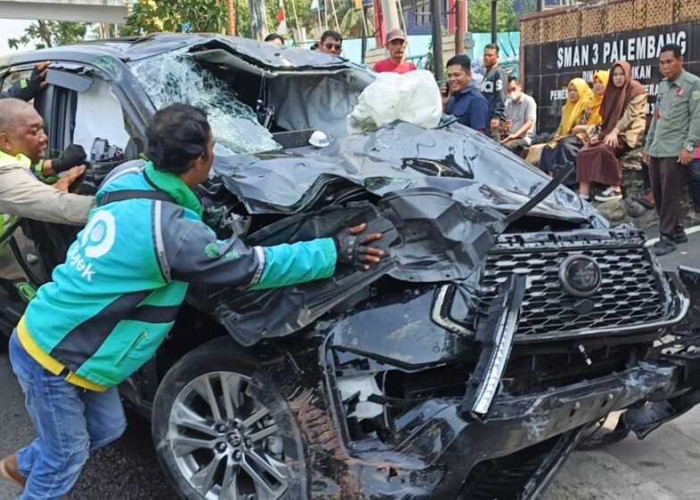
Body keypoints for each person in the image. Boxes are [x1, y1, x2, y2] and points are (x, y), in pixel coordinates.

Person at [0, 103, 387, 499]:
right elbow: (253, 267)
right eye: (214, 146)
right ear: (202, 158)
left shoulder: (128, 174)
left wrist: (203, 214)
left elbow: (162, 214)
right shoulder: (173, 234)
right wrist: (334, 251)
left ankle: (21, 466)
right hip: (54, 356)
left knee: (107, 430)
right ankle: (35, 477)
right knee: (67, 457)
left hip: (61, 335)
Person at [643, 43, 700, 256]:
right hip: (658, 147)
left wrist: (689, 147)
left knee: (669, 196)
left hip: (676, 150)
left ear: (680, 61)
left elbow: (697, 118)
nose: (665, 66)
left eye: (669, 61)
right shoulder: (663, 86)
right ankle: (677, 230)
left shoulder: (693, 84)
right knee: (658, 192)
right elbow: (656, 119)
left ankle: (666, 238)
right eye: (662, 63)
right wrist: (648, 145)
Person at [0, 99, 94, 225]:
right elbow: (66, 208)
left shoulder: (10, 159)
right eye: (34, 132)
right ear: (5, 141)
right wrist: (124, 207)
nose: (44, 137)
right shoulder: (4, 177)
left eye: (42, 129)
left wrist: (53, 188)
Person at [577, 61, 647, 202]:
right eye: (615, 75)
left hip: (628, 134)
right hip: (610, 132)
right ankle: (583, 195)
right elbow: (605, 119)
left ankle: (615, 188)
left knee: (604, 148)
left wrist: (615, 131)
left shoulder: (636, 89)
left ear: (628, 74)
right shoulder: (611, 90)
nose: (618, 78)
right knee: (584, 152)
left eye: (622, 74)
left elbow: (630, 116)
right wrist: (598, 135)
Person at [539, 78, 596, 185]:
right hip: (567, 137)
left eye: (575, 90)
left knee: (564, 145)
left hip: (581, 137)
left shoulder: (587, 103)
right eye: (569, 90)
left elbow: (585, 124)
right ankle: (547, 178)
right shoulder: (566, 107)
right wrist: (557, 136)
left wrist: (565, 136)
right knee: (548, 148)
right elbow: (561, 126)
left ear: (581, 91)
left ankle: (568, 182)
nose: (572, 93)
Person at [444, 55, 490, 133]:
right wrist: (444, 104)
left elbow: (479, 138)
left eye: (456, 75)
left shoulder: (477, 101)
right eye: (449, 76)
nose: (452, 79)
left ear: (469, 75)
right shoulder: (452, 98)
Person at [501, 77, 537, 157]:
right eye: (509, 91)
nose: (511, 93)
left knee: (507, 147)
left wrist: (515, 135)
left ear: (520, 87)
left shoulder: (529, 101)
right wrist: (505, 126)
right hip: (510, 136)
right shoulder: (508, 103)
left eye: (513, 89)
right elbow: (504, 122)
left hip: (524, 138)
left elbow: (530, 122)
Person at [480, 44, 508, 140]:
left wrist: (496, 116)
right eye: (485, 55)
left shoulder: (499, 72)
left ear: (497, 56)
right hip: (486, 118)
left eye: (490, 55)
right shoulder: (487, 74)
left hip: (494, 121)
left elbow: (501, 96)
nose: (487, 58)